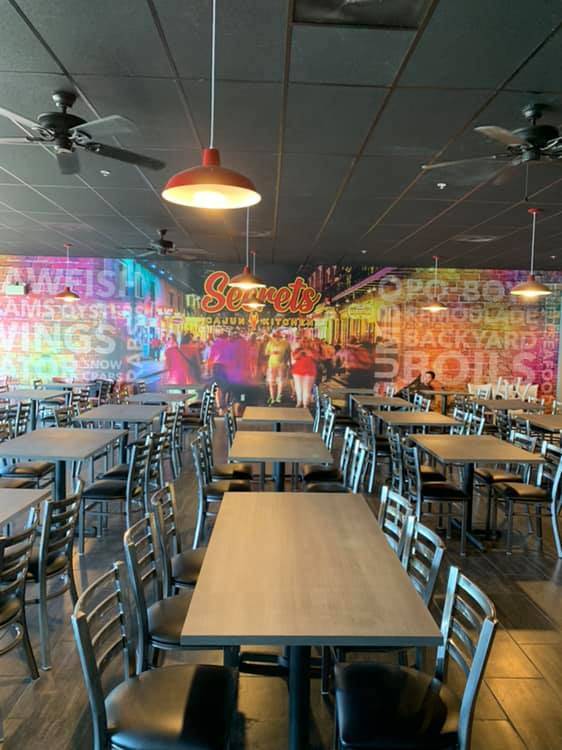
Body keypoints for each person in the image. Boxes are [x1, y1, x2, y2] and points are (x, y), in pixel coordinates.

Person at [265, 330, 291, 404]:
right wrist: (272, 352)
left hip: (281, 364)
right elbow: (266, 353)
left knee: (281, 381)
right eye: (275, 335)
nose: (276, 337)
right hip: (272, 364)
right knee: (271, 381)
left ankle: (279, 397)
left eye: (278, 335)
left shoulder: (286, 343)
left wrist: (289, 363)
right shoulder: (270, 343)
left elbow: (288, 354)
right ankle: (273, 398)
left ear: (280, 336)